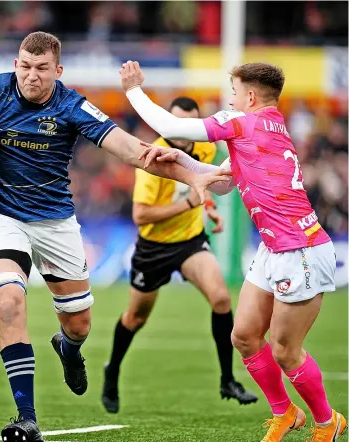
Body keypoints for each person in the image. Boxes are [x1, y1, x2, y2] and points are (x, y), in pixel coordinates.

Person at [0, 32, 230, 442]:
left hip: (56, 223)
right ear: (16, 64)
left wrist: (194, 174)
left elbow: (132, 149)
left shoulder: (71, 105)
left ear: (57, 70)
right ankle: (26, 418)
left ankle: (68, 347)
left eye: (41, 68)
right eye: (25, 66)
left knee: (79, 323)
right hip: (0, 216)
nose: (31, 76)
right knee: (9, 302)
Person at [119, 61, 347, 442]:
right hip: (275, 248)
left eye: (235, 91)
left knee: (285, 350)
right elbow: (222, 185)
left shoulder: (242, 122)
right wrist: (182, 163)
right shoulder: (267, 129)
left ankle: (327, 423)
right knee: (242, 336)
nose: (230, 98)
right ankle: (285, 413)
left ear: (251, 96)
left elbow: (172, 128)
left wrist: (133, 90)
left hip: (301, 249)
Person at [102, 96, 257, 414]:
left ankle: (227, 379)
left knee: (222, 299)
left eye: (189, 126)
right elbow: (141, 216)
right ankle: (112, 371)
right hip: (153, 248)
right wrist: (190, 205)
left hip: (189, 241)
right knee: (136, 318)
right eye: (176, 125)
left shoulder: (206, 148)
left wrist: (209, 208)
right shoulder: (152, 159)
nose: (183, 135)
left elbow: (200, 185)